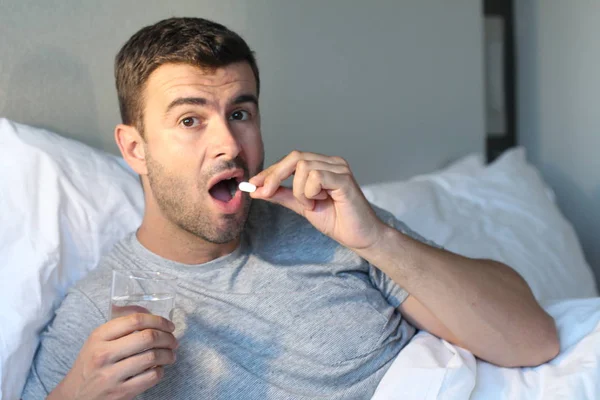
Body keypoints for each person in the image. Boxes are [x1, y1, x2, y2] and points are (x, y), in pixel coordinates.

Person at [22, 17, 559, 400]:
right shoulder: (101, 313)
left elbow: (533, 339)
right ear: (135, 148)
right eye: (190, 120)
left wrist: (375, 238)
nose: (229, 145)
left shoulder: (332, 226)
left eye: (240, 113)